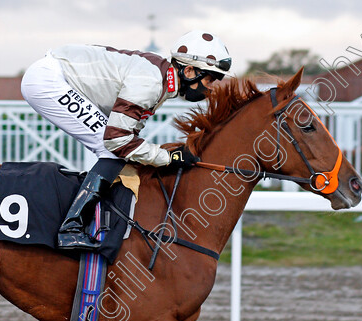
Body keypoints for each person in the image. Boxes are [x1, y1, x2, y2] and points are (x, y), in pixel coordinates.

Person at [21, 31, 235, 251]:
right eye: (210, 78)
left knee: (117, 151)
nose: (212, 87)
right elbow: (118, 140)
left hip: (54, 75)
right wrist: (168, 157)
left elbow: (129, 137)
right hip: (49, 81)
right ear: (189, 71)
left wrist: (162, 156)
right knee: (110, 151)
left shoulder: (160, 78)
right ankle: (70, 230)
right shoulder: (151, 82)